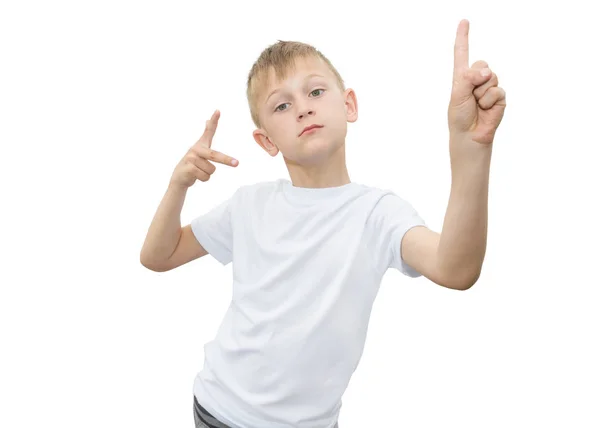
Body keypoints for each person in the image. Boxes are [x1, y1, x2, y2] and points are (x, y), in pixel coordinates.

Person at [140, 19, 506, 428]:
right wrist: (178, 184)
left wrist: (470, 148)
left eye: (315, 91)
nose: (303, 107)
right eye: (282, 104)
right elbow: (158, 255)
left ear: (348, 104)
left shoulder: (377, 214)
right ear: (266, 141)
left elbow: (457, 269)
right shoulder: (249, 205)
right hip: (219, 411)